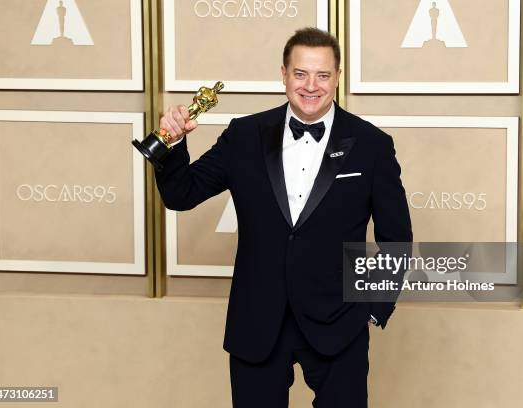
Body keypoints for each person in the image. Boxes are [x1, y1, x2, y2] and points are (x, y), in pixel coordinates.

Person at [155, 27, 412, 408]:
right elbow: (182, 194)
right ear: (283, 74)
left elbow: (396, 236)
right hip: (258, 321)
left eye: (323, 75)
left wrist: (374, 308)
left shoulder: (372, 145)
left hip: (339, 323)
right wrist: (171, 145)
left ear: (338, 77)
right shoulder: (244, 135)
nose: (311, 86)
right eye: (301, 73)